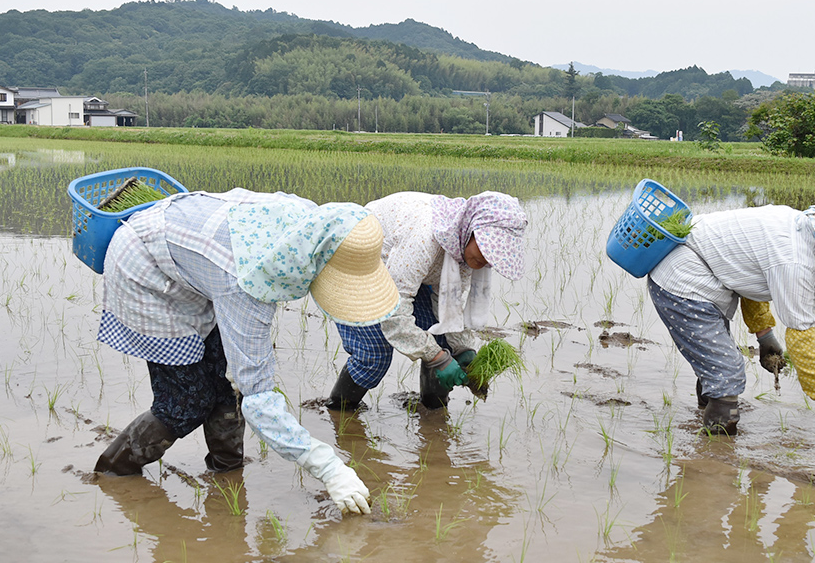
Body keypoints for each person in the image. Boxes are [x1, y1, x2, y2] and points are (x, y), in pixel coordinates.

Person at [93, 188, 400, 515]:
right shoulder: (248, 283)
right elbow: (260, 399)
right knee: (184, 402)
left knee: (225, 384)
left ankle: (226, 479)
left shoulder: (313, 225)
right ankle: (113, 472)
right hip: (144, 265)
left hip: (199, 260)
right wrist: (329, 468)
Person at [646, 189, 815, 435]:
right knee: (727, 370)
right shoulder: (795, 260)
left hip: (700, 276)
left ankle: (708, 417)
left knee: (718, 363)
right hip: (681, 281)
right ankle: (715, 459)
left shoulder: (797, 225)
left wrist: (764, 335)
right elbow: (801, 337)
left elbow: (748, 277)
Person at [326, 190, 527, 411]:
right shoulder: (425, 236)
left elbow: (448, 303)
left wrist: (462, 348)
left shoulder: (462, 248)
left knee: (443, 341)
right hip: (357, 263)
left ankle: (432, 416)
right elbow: (393, 310)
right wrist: (436, 358)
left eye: (494, 255)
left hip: (398, 273)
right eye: (487, 248)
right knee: (374, 354)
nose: (487, 260)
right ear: (471, 229)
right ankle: (339, 413)